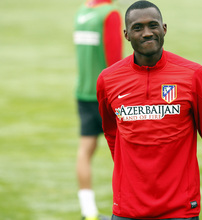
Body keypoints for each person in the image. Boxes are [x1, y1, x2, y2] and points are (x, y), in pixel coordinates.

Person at [96, 1, 202, 219]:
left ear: (164, 29)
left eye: (153, 25)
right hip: (127, 210)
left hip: (180, 210)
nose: (146, 33)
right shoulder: (108, 80)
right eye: (137, 28)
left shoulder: (192, 75)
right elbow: (112, 133)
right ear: (126, 34)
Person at [73, 0, 123, 219]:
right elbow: (114, 60)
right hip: (106, 94)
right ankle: (129, 208)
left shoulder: (83, 11)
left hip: (83, 91)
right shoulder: (109, 13)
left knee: (85, 150)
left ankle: (88, 212)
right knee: (127, 153)